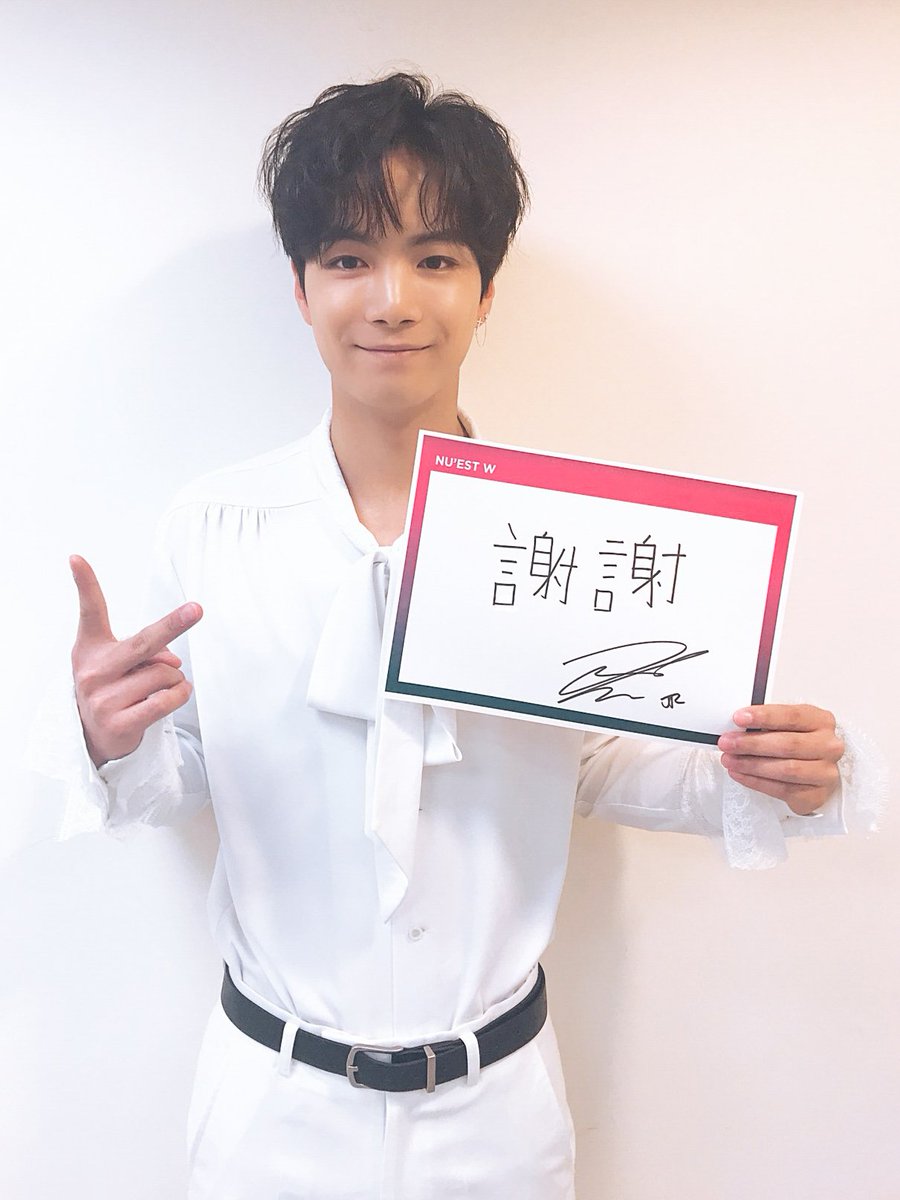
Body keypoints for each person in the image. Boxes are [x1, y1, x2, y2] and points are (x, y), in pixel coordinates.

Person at [66, 74, 857, 1199]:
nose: (392, 300)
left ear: (486, 293)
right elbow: (180, 777)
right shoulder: (216, 525)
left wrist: (767, 767)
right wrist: (112, 738)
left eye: (435, 258)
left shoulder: (564, 536)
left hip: (497, 1121)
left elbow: (599, 760)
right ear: (299, 287)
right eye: (349, 257)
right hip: (269, 1116)